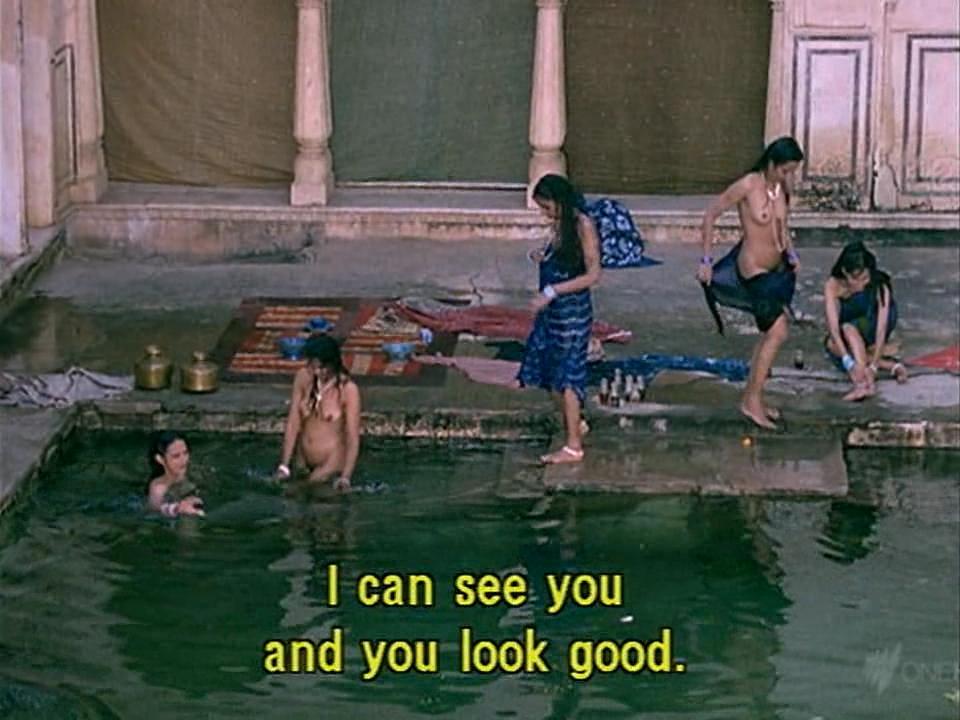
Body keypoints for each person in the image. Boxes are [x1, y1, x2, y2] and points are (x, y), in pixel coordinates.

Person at [698, 136, 805, 429]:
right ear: (771, 163)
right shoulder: (748, 185)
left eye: (792, 172)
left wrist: (791, 253)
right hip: (754, 269)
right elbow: (711, 214)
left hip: (778, 269)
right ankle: (752, 401)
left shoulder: (780, 188)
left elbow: (782, 226)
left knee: (770, 333)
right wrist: (706, 260)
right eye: (784, 170)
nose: (787, 177)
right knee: (778, 331)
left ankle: (752, 396)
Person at [518, 174, 602, 464]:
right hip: (552, 314)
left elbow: (593, 275)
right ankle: (576, 422)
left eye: (547, 207)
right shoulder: (560, 226)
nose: (545, 213)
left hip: (572, 314)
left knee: (567, 376)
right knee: (546, 370)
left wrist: (552, 291)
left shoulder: (583, 225)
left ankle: (573, 447)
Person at [824, 241, 907, 401]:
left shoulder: (880, 285)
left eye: (866, 278)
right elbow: (833, 327)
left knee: (848, 329)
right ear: (845, 273)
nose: (862, 284)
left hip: (872, 321)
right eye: (857, 279)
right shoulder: (832, 285)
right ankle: (892, 366)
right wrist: (848, 363)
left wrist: (873, 367)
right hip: (851, 324)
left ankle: (863, 384)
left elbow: (881, 328)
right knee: (832, 345)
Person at [276, 334, 361, 488]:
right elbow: (293, 423)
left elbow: (352, 437)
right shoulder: (303, 377)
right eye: (312, 366)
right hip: (302, 457)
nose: (316, 372)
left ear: (332, 364)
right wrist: (284, 465)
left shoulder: (348, 390)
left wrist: (346, 476)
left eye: (321, 368)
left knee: (316, 493)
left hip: (331, 462)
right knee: (292, 494)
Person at [145, 431, 205, 517]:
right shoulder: (158, 489)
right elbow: (155, 511)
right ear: (160, 459)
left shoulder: (194, 472)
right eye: (176, 456)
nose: (184, 460)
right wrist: (177, 509)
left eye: (185, 453)